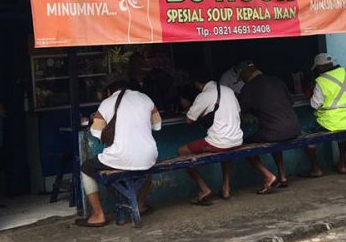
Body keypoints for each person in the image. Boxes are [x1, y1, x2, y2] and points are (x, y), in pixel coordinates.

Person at [76, 79, 161, 227]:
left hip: (119, 156)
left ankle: (98, 215)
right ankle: (140, 204)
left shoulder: (107, 103)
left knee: (86, 168)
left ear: (109, 91)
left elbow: (96, 132)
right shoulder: (145, 98)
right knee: (146, 165)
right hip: (149, 155)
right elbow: (157, 125)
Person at [178, 71, 243, 204]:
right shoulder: (228, 91)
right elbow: (239, 112)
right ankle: (226, 188)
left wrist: (188, 106)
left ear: (197, 84)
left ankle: (204, 189)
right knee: (226, 151)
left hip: (218, 142)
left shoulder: (204, 95)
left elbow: (189, 120)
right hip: (237, 140)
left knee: (181, 152)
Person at [237, 61, 300, 188]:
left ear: (246, 73)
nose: (242, 80)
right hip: (294, 129)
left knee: (242, 146)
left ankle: (268, 176)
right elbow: (290, 101)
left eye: (242, 77)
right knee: (274, 138)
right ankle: (282, 175)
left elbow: (240, 109)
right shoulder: (276, 80)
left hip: (273, 132)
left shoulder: (249, 88)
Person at [304, 52, 346, 176]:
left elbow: (315, 105)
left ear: (319, 68)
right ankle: (342, 164)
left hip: (331, 122)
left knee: (307, 133)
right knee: (342, 134)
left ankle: (315, 169)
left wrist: (310, 94)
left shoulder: (321, 81)